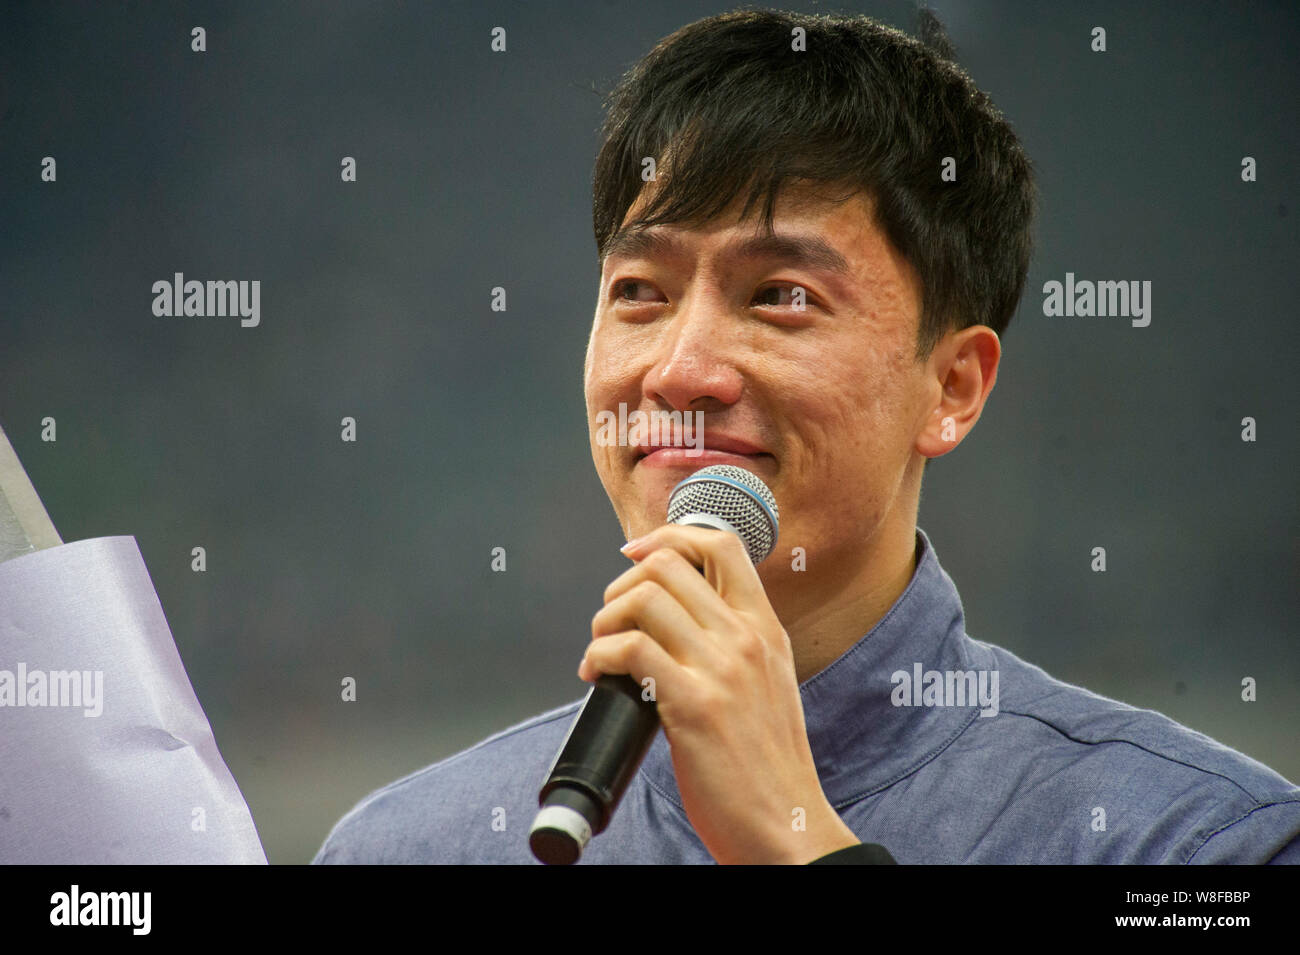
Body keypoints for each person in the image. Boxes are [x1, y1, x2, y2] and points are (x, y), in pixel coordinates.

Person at [313, 9, 1300, 864]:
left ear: (951, 386)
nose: (677, 369)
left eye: (780, 295)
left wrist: (795, 841)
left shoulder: (1198, 843)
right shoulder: (405, 845)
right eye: (640, 292)